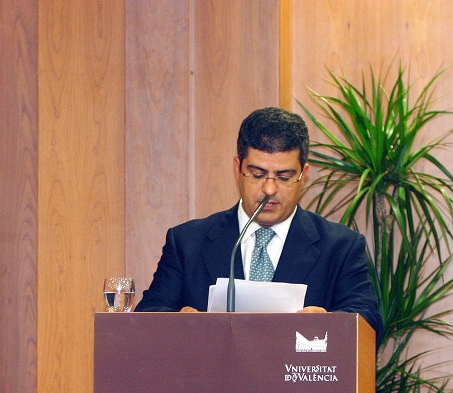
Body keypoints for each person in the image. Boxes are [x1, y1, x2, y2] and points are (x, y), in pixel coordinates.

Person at [135, 106, 383, 342]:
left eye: (284, 177)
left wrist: (330, 323)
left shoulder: (340, 246)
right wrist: (178, 322)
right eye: (257, 175)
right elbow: (147, 317)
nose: (269, 189)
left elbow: (368, 322)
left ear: (303, 175)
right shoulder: (188, 242)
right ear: (237, 168)